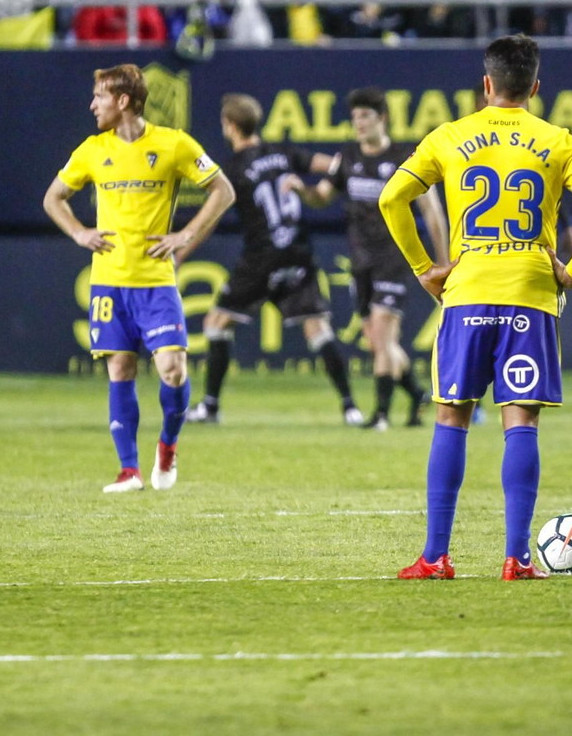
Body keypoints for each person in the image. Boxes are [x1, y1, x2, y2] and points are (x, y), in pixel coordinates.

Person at [381, 34, 572, 580]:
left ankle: (435, 557)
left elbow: (390, 198)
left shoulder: (450, 136)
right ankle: (517, 558)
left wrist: (424, 268)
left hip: (467, 292)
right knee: (521, 423)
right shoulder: (557, 141)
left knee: (450, 417)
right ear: (535, 87)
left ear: (485, 84)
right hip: (531, 295)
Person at [43, 64, 235, 492]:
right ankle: (128, 469)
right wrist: (79, 232)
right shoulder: (92, 150)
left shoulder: (172, 144)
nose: (92, 104)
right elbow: (53, 197)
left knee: (172, 369)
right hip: (109, 281)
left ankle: (167, 446)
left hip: (155, 280)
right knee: (121, 368)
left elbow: (223, 189)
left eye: (100, 97)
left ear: (123, 101)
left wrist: (186, 234)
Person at [184, 94, 363, 427]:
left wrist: (180, 251)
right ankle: (351, 407)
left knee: (215, 324)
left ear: (230, 126)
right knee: (319, 330)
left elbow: (209, 220)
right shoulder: (283, 153)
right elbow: (337, 166)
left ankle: (209, 406)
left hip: (261, 259)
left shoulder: (235, 170)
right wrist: (322, 191)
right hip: (297, 253)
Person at [286, 88, 448, 429]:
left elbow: (433, 213)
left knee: (384, 336)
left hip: (392, 258)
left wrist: (442, 261)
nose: (359, 124)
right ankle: (417, 394)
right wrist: (302, 190)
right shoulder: (346, 159)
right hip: (360, 264)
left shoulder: (407, 158)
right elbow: (321, 198)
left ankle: (381, 416)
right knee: (378, 342)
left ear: (382, 119)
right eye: (355, 118)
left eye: (366, 117)